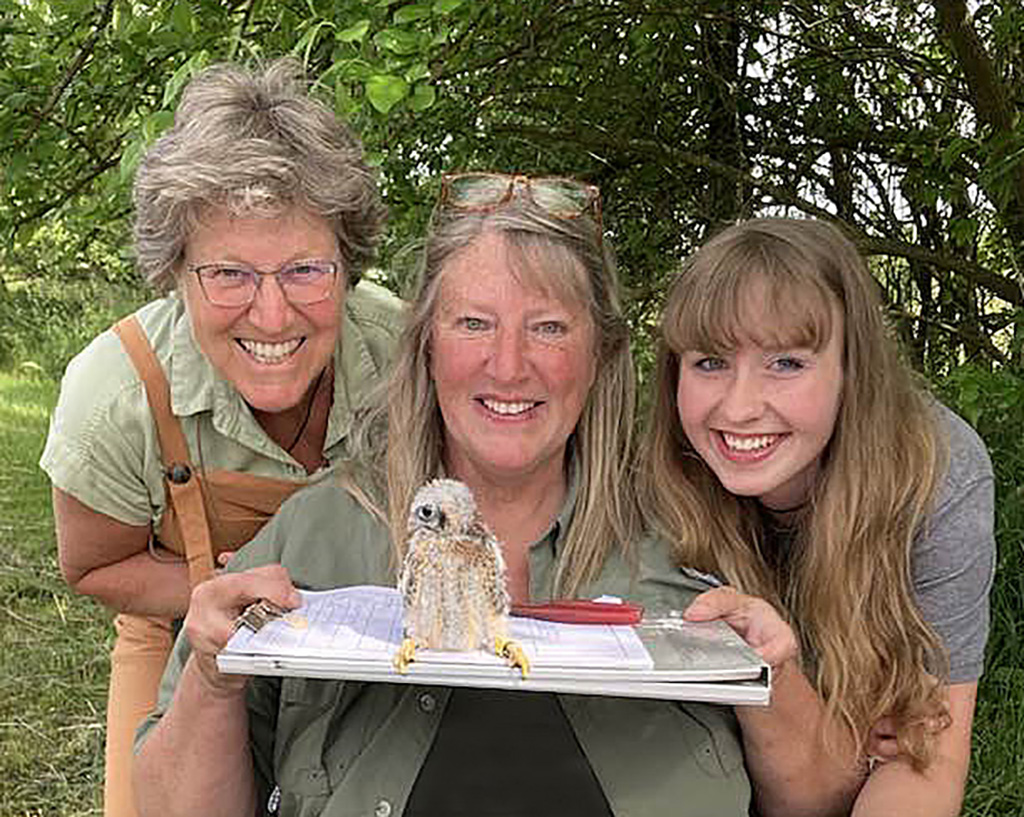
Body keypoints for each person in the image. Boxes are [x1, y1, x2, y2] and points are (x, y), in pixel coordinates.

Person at [134, 172, 753, 816]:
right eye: (474, 323)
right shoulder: (316, 535)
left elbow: (819, 786)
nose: (508, 365)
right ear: (425, 344)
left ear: (601, 352)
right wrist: (211, 679)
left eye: (548, 328)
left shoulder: (693, 538)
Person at [39, 59, 404, 817]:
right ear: (175, 270)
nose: (271, 317)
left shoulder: (404, 355)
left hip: (373, 642)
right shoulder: (114, 393)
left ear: (349, 263)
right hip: (173, 638)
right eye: (229, 273)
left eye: (306, 269)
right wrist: (227, 598)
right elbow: (91, 564)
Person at [639, 217, 995, 817]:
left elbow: (924, 763)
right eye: (709, 362)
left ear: (852, 370)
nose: (740, 407)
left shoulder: (936, 475)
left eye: (786, 363)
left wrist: (884, 747)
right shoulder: (651, 483)